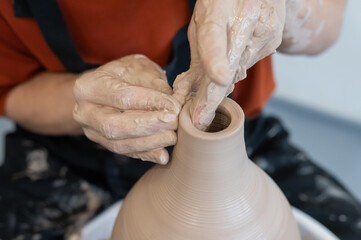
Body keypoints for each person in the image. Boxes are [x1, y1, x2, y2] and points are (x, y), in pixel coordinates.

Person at [1, 0, 358, 239]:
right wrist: (82, 99)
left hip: (243, 145)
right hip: (70, 145)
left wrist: (278, 5)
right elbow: (10, 91)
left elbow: (325, 25)